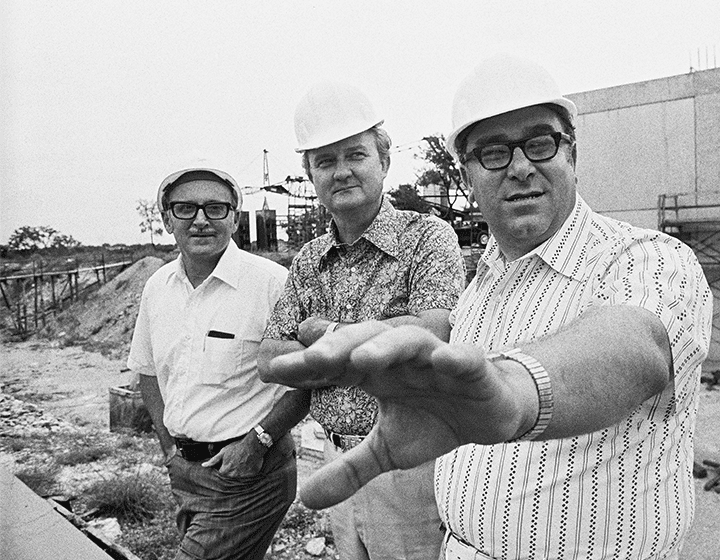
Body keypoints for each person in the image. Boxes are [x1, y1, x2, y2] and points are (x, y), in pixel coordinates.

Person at [262, 55, 713, 560]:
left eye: (540, 142)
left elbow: (639, 345)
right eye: (493, 153)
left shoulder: (647, 258)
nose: (520, 167)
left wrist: (516, 393)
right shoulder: (481, 290)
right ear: (468, 173)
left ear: (572, 153)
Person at [258, 81, 466, 560]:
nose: (342, 171)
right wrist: (368, 342)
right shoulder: (309, 259)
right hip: (335, 457)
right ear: (310, 174)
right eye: (325, 161)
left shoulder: (427, 239)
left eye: (355, 155)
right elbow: (268, 358)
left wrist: (319, 336)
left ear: (384, 161)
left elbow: (432, 332)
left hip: (411, 463)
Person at [127, 165, 309, 560]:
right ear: (166, 219)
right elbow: (147, 371)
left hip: (249, 472)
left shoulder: (272, 284)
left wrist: (256, 443)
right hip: (185, 471)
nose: (200, 220)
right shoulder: (157, 288)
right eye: (185, 209)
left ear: (235, 217)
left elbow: (309, 379)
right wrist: (169, 449)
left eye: (215, 208)